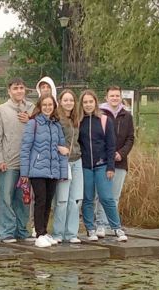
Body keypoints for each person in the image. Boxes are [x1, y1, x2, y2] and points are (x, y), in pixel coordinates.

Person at [20, 91, 69, 248]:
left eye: (50, 105)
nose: (47, 107)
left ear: (54, 106)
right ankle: (39, 233)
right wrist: (24, 172)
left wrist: (62, 172)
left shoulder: (56, 125)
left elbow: (61, 149)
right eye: (44, 105)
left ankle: (44, 231)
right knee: (40, 200)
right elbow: (25, 149)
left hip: (53, 170)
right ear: (40, 107)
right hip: (37, 170)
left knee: (48, 202)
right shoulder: (33, 124)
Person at [78, 89, 128, 242]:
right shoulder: (78, 121)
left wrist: (111, 167)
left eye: (91, 101)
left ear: (96, 102)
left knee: (107, 197)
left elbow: (111, 145)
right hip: (85, 166)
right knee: (88, 199)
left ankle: (116, 227)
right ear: (81, 104)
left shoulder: (104, 120)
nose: (88, 105)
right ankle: (90, 228)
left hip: (102, 165)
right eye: (85, 102)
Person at [0, 77, 32, 243]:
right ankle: (6, 231)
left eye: (21, 88)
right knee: (6, 198)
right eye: (15, 88)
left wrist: (31, 119)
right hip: (8, 162)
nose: (19, 91)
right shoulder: (2, 110)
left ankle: (22, 230)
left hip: (27, 164)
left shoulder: (32, 108)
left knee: (24, 198)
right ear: (9, 91)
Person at [93, 85, 135, 238]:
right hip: (103, 161)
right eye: (112, 96)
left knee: (114, 196)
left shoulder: (127, 116)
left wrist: (121, 153)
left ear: (121, 97)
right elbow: (97, 138)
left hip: (120, 161)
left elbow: (130, 138)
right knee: (102, 195)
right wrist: (108, 155)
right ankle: (100, 224)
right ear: (106, 97)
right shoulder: (99, 114)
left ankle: (111, 224)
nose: (115, 98)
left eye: (117, 95)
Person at [51, 88, 83, 243]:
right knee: (62, 200)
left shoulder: (76, 119)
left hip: (77, 161)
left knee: (75, 200)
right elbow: (49, 139)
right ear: (60, 102)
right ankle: (58, 233)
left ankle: (71, 234)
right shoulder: (56, 119)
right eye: (66, 100)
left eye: (71, 100)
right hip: (63, 162)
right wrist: (58, 147)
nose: (69, 103)